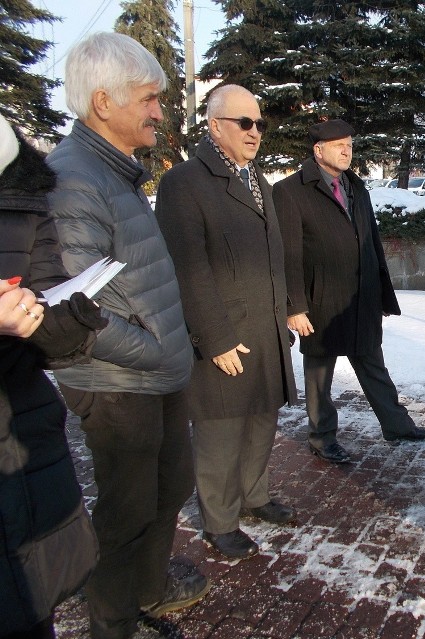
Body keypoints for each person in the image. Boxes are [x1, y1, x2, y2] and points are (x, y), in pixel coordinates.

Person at [46, 32, 209, 639]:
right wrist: (153, 349)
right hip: (115, 381)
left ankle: (148, 586)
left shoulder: (114, 172)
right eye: (148, 99)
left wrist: (165, 352)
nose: (159, 112)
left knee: (172, 485)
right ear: (103, 102)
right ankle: (113, 621)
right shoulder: (72, 180)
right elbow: (72, 310)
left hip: (153, 372)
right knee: (126, 512)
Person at [155, 84, 299, 560]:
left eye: (259, 123)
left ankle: (254, 497)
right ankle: (219, 520)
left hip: (266, 329)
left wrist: (287, 314)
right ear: (215, 126)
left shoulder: (258, 181)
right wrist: (214, 337)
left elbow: (274, 258)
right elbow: (188, 268)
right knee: (220, 429)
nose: (255, 131)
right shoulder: (186, 183)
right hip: (224, 335)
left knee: (261, 421)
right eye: (244, 123)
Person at [273, 119, 425, 464]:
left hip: (359, 298)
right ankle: (321, 437)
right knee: (319, 377)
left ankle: (397, 425)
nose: (347, 150)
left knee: (374, 365)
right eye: (339, 145)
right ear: (318, 151)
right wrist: (294, 306)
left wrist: (381, 294)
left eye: (349, 144)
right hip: (320, 303)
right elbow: (287, 254)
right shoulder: (290, 191)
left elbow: (371, 243)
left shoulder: (355, 188)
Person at [0, 115, 102, 639]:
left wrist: (74, 316)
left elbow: (47, 286)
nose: (159, 112)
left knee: (31, 603)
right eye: (149, 100)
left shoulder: (18, 169)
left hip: (26, 436)